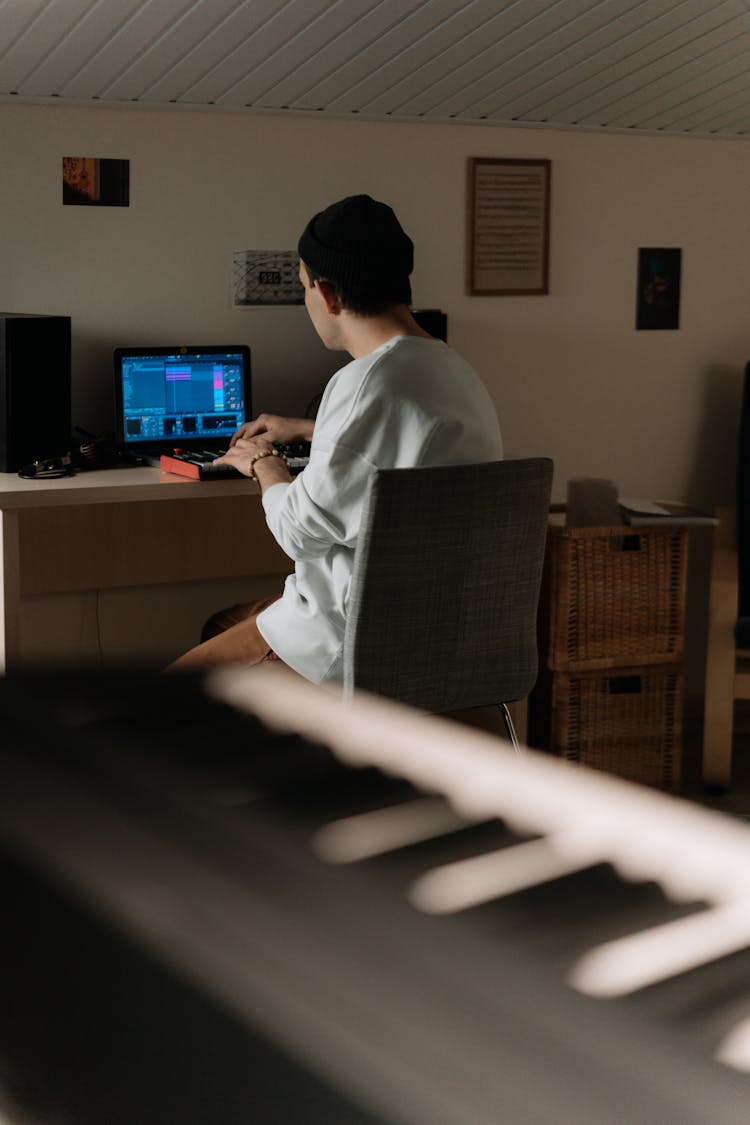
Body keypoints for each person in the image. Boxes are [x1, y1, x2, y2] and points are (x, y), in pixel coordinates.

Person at [170, 193, 503, 680]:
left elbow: (298, 534)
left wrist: (264, 461)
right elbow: (408, 442)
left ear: (328, 295)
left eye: (304, 287)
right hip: (437, 622)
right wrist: (307, 429)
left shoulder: (366, 383)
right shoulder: (449, 368)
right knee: (221, 623)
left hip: (353, 635)